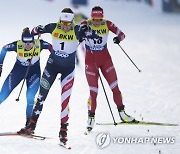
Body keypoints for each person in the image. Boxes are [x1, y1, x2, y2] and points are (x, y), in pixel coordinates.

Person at [18, 8, 100, 145]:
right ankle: (31, 126)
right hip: (51, 66)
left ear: (72, 22)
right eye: (63, 23)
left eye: (68, 24)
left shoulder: (77, 29)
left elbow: (95, 37)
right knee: (41, 97)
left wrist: (89, 31)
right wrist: (33, 30)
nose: (65, 26)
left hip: (68, 70)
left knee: (65, 101)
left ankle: (63, 132)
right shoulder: (53, 26)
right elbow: (34, 31)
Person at [81, 6, 136, 131]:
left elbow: (122, 34)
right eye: (94, 19)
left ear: (102, 18)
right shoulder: (85, 23)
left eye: (99, 19)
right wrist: (81, 32)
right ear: (91, 18)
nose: (97, 22)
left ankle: (122, 113)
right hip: (90, 62)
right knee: (93, 92)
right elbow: (78, 32)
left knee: (115, 88)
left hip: (105, 60)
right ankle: (90, 118)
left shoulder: (107, 23)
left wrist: (118, 39)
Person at [0, 27, 52, 126]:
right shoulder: (17, 44)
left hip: (34, 73)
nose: (28, 46)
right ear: (22, 42)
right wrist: (0, 65)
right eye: (25, 43)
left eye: (30, 43)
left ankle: (29, 123)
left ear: (33, 41)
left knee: (30, 97)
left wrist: (54, 62)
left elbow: (51, 48)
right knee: (2, 96)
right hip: (17, 72)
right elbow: (4, 49)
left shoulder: (39, 43)